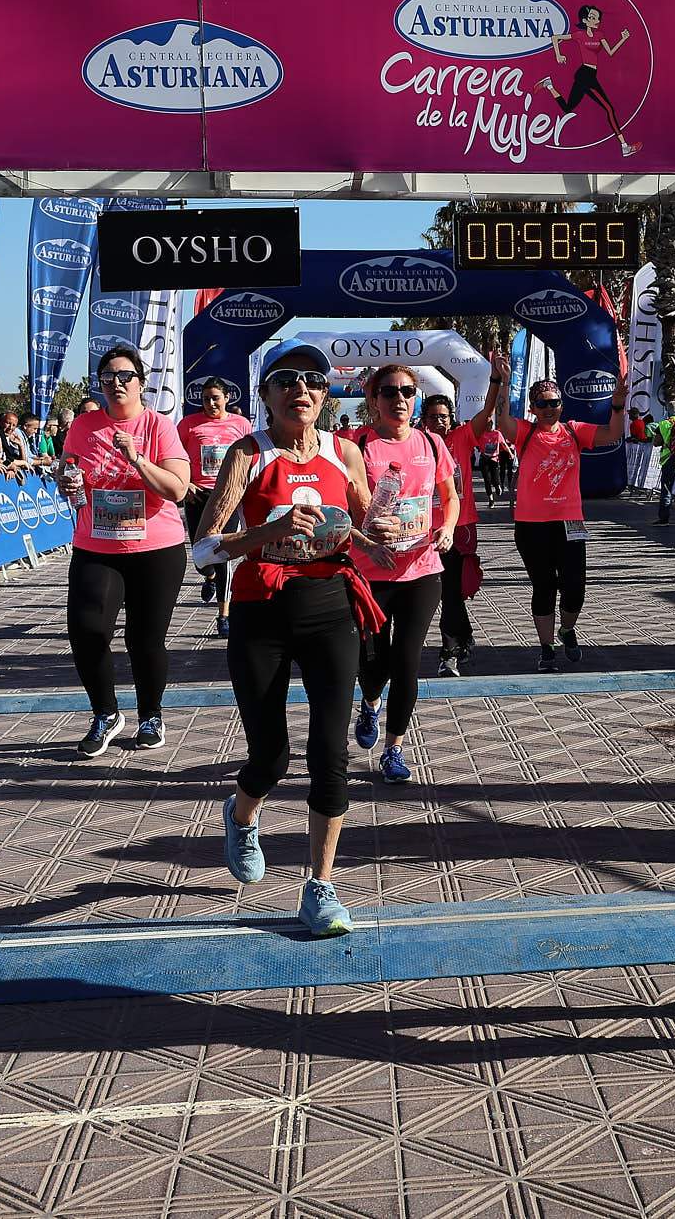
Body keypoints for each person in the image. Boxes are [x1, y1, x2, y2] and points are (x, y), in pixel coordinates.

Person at [190, 338, 388, 938]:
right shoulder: (248, 454)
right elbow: (203, 550)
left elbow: (360, 525)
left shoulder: (345, 453)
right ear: (266, 395)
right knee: (271, 754)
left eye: (313, 382)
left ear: (325, 397)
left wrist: (383, 535)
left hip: (330, 607)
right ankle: (241, 814)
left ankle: (320, 888)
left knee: (330, 752)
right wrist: (265, 533)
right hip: (262, 610)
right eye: (287, 380)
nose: (301, 389)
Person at [57, 347, 191, 758]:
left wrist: (136, 458)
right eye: (108, 377)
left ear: (141, 383)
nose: (116, 383)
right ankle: (106, 713)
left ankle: (151, 715)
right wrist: (67, 481)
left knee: (144, 639)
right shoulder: (83, 425)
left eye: (125, 376)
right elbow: (68, 470)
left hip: (156, 548)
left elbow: (178, 489)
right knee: (87, 630)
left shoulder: (158, 426)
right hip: (97, 545)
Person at [348, 363, 461, 783]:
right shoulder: (357, 445)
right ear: (374, 399)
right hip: (371, 572)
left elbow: (450, 497)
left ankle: (393, 749)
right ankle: (370, 703)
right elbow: (341, 505)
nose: (399, 399)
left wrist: (448, 528)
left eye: (407, 391)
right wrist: (367, 535)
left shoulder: (431, 443)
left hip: (421, 569)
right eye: (389, 391)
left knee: (407, 661)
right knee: (374, 664)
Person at [479, 367, 630, 671]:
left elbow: (613, 434)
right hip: (531, 525)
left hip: (570, 522)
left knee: (575, 588)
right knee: (544, 587)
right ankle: (547, 649)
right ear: (533, 408)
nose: (549, 409)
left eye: (554, 403)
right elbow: (503, 422)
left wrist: (617, 403)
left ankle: (567, 629)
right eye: (542, 403)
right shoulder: (526, 432)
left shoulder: (574, 431)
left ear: (562, 405)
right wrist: (504, 383)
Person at [423, 360, 508, 677]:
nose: (439, 422)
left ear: (451, 419)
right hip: (428, 528)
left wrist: (496, 380)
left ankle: (451, 649)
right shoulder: (419, 444)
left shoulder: (462, 437)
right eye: (433, 417)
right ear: (424, 420)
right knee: (445, 590)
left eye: (443, 417)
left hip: (461, 526)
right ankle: (458, 643)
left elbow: (487, 412)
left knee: (454, 589)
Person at [178, 380, 254, 636]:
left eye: (215, 398)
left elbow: (250, 458)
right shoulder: (189, 424)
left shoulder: (241, 424)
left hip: (227, 496)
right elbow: (176, 456)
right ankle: (208, 576)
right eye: (206, 399)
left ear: (227, 398)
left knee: (223, 554)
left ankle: (224, 614)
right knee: (200, 555)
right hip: (198, 495)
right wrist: (186, 483)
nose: (211, 403)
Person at [537, 5, 641, 156]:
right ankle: (624, 146)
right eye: (592, 17)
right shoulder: (579, 35)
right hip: (585, 75)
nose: (596, 20)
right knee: (609, 109)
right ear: (585, 20)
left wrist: (623, 39)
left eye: (597, 17)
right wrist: (558, 55)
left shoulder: (600, 35)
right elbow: (555, 37)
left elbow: (610, 52)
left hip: (589, 75)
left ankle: (549, 85)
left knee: (567, 108)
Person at [477, 418, 508, 507]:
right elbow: (476, 443)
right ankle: (491, 500)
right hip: (484, 459)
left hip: (494, 459)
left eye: (490, 424)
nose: (489, 426)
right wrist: (479, 448)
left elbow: (504, 444)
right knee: (487, 480)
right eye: (487, 425)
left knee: (495, 478)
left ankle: (497, 486)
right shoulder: (482, 434)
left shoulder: (497, 434)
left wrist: (510, 453)